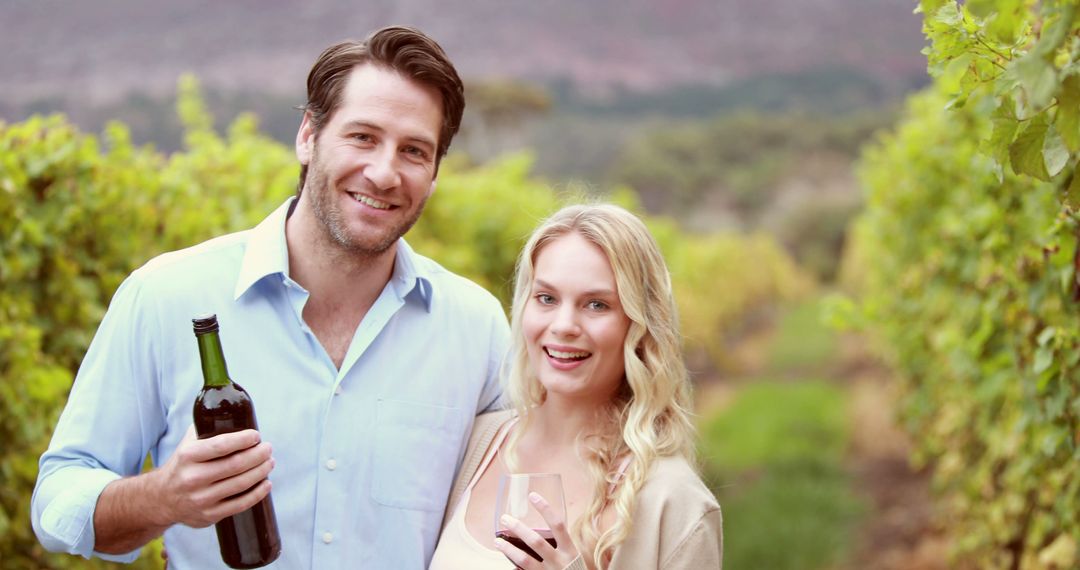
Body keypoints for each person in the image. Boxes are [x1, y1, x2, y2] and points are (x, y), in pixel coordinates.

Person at [31, 26, 510, 569]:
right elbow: (58, 500)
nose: (383, 172)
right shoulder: (165, 295)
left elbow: (511, 509)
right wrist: (165, 497)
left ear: (435, 175)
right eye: (362, 137)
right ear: (308, 135)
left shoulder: (479, 329)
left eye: (414, 151)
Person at [429, 204, 723, 570]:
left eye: (596, 305)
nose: (564, 325)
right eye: (547, 298)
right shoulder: (474, 442)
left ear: (640, 326)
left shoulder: (674, 502)